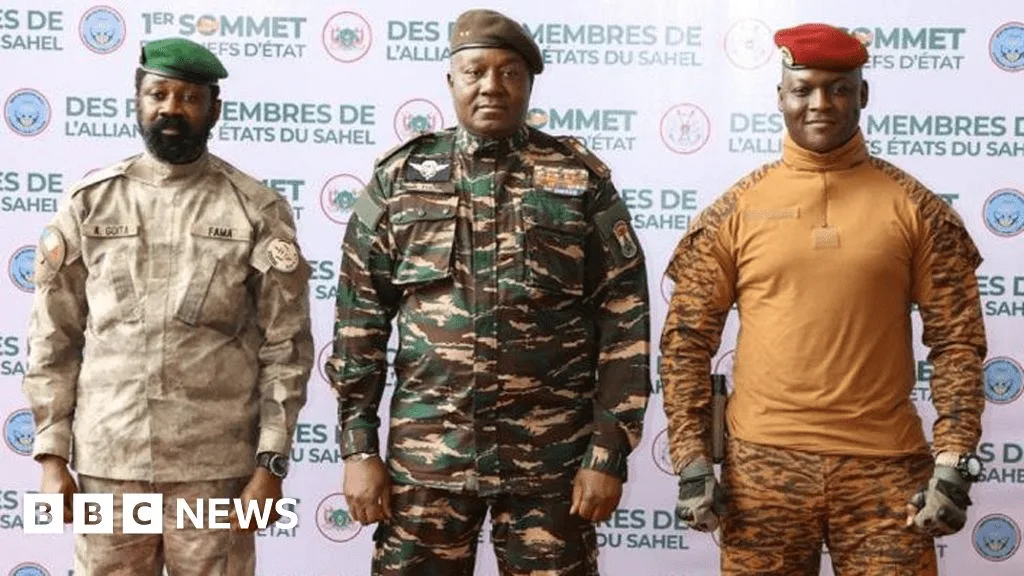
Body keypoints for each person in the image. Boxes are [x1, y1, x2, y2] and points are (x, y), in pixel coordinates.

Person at [326, 8, 651, 575]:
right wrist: (358, 447)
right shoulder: (401, 179)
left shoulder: (579, 181)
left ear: (529, 85)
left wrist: (608, 450)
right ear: (451, 80)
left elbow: (625, 319)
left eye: (509, 73)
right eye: (475, 71)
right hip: (428, 462)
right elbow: (360, 321)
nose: (492, 86)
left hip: (550, 464)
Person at [660, 23, 987, 575]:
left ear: (863, 94)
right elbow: (685, 344)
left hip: (886, 471)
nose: (821, 104)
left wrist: (953, 460)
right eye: (803, 89)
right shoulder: (734, 212)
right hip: (762, 471)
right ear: (780, 97)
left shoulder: (918, 209)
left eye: (839, 88)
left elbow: (957, 343)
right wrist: (692, 461)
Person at [22, 37, 313, 576]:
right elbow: (53, 339)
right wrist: (51, 456)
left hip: (215, 471)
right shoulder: (91, 203)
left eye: (189, 98)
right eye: (158, 94)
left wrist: (270, 464)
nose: (171, 109)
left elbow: (286, 347)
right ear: (138, 101)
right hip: (112, 465)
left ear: (214, 109)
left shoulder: (254, 209)